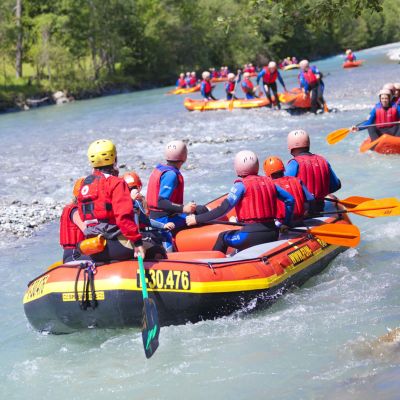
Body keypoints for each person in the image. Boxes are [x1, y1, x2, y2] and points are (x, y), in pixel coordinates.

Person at [186, 150, 294, 253]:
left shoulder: (240, 186)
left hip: (250, 235)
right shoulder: (270, 183)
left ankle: (212, 270)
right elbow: (290, 200)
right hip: (272, 233)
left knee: (223, 237)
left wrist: (197, 219)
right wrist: (285, 223)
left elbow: (222, 210)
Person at [77, 139, 145, 262]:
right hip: (113, 243)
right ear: (114, 158)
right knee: (155, 248)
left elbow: (83, 216)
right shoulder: (116, 182)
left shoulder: (84, 184)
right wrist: (137, 241)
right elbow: (123, 217)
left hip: (92, 247)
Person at [146, 140, 203, 252]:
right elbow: (161, 202)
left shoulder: (160, 168)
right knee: (202, 212)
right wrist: (184, 208)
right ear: (184, 157)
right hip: (163, 220)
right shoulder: (171, 175)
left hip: (157, 216)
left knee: (200, 209)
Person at [285, 130, 341, 213]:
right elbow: (336, 185)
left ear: (290, 146)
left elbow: (283, 187)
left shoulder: (294, 163)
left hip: (301, 211)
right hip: (320, 206)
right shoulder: (322, 160)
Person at [123, 171, 174, 258]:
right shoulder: (136, 203)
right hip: (136, 238)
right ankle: (171, 259)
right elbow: (146, 220)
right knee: (163, 237)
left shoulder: (121, 202)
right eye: (132, 189)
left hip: (131, 236)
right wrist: (163, 225)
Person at [263, 156, 315, 224]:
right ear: (283, 169)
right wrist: (309, 213)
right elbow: (311, 199)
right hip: (300, 220)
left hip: (282, 223)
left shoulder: (269, 186)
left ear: (267, 173)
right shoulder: (297, 180)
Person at [59, 177, 87, 263]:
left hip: (77, 253)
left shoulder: (77, 209)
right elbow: (87, 230)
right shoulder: (75, 211)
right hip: (74, 255)